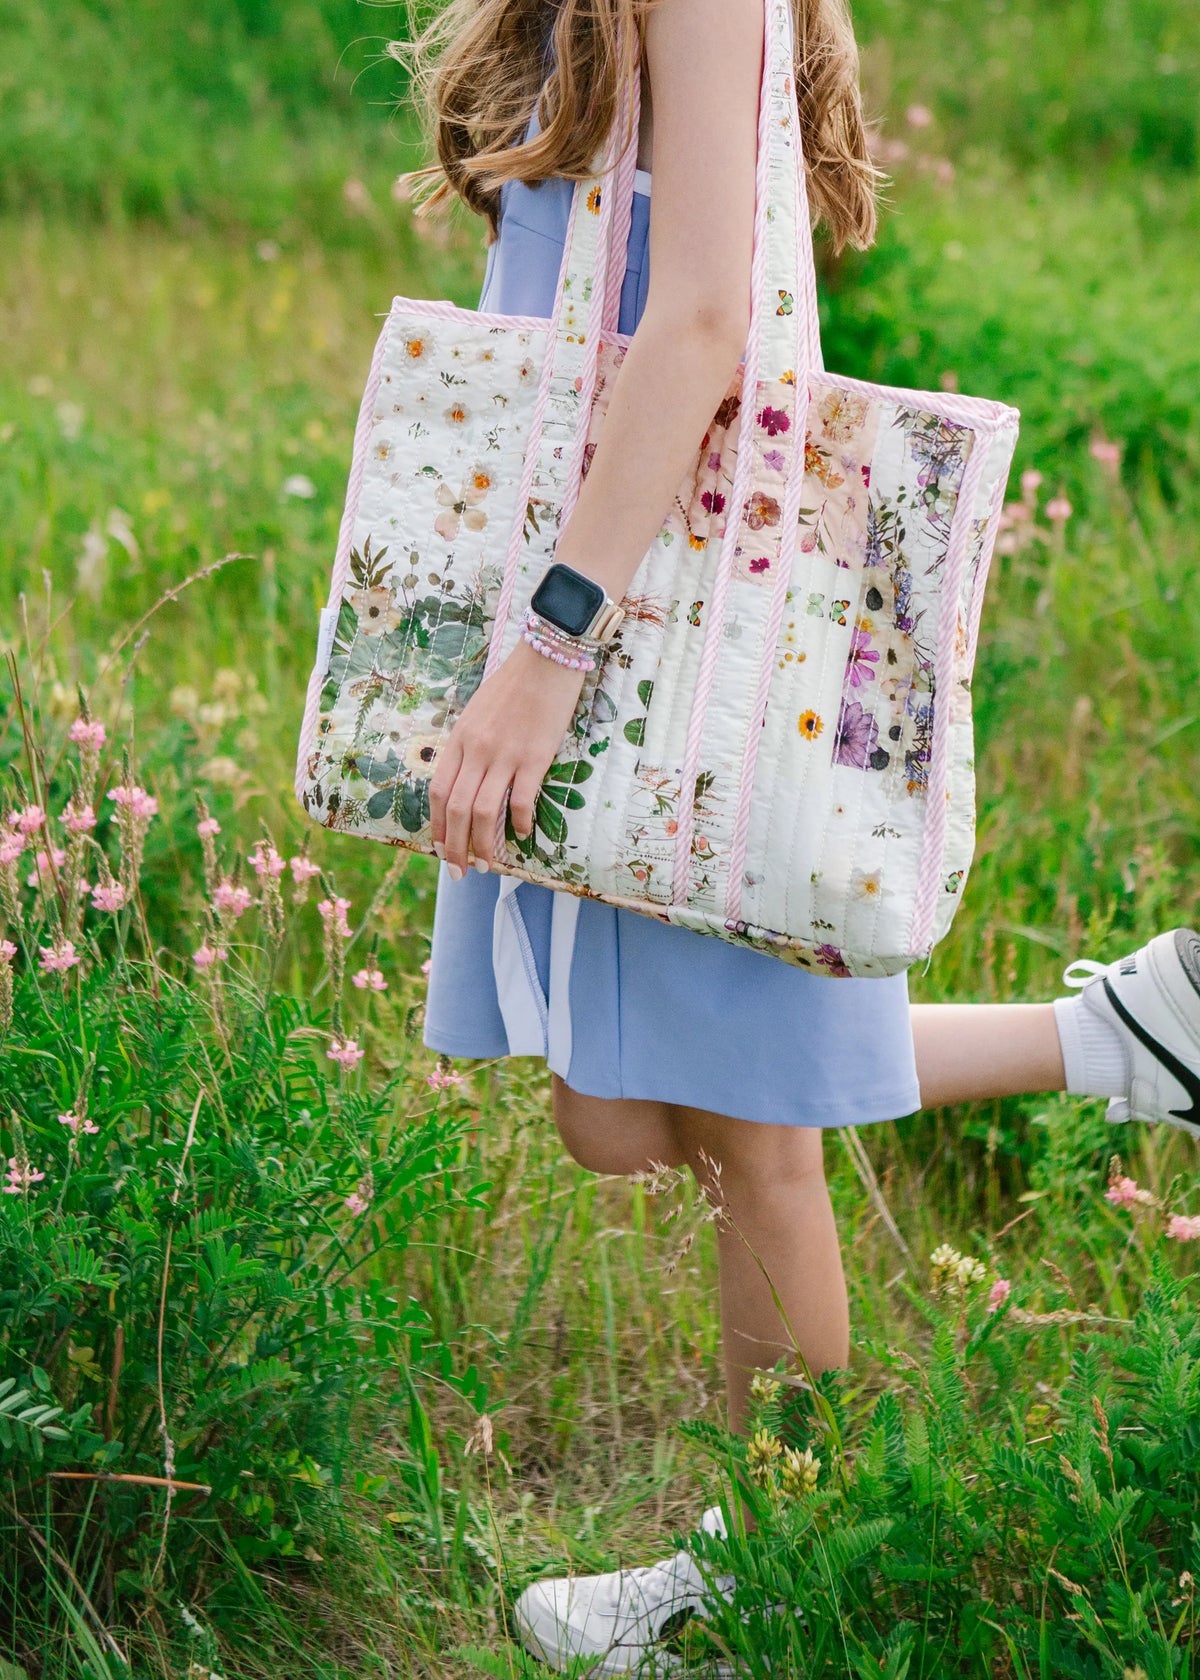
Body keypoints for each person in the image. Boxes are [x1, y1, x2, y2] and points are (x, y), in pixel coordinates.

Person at [400, 0, 1200, 1666]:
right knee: (624, 1114)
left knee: (752, 1129)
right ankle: (1124, 1031)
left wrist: (545, 655)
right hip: (637, 586)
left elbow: (700, 325)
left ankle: (776, 1565)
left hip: (648, 615)